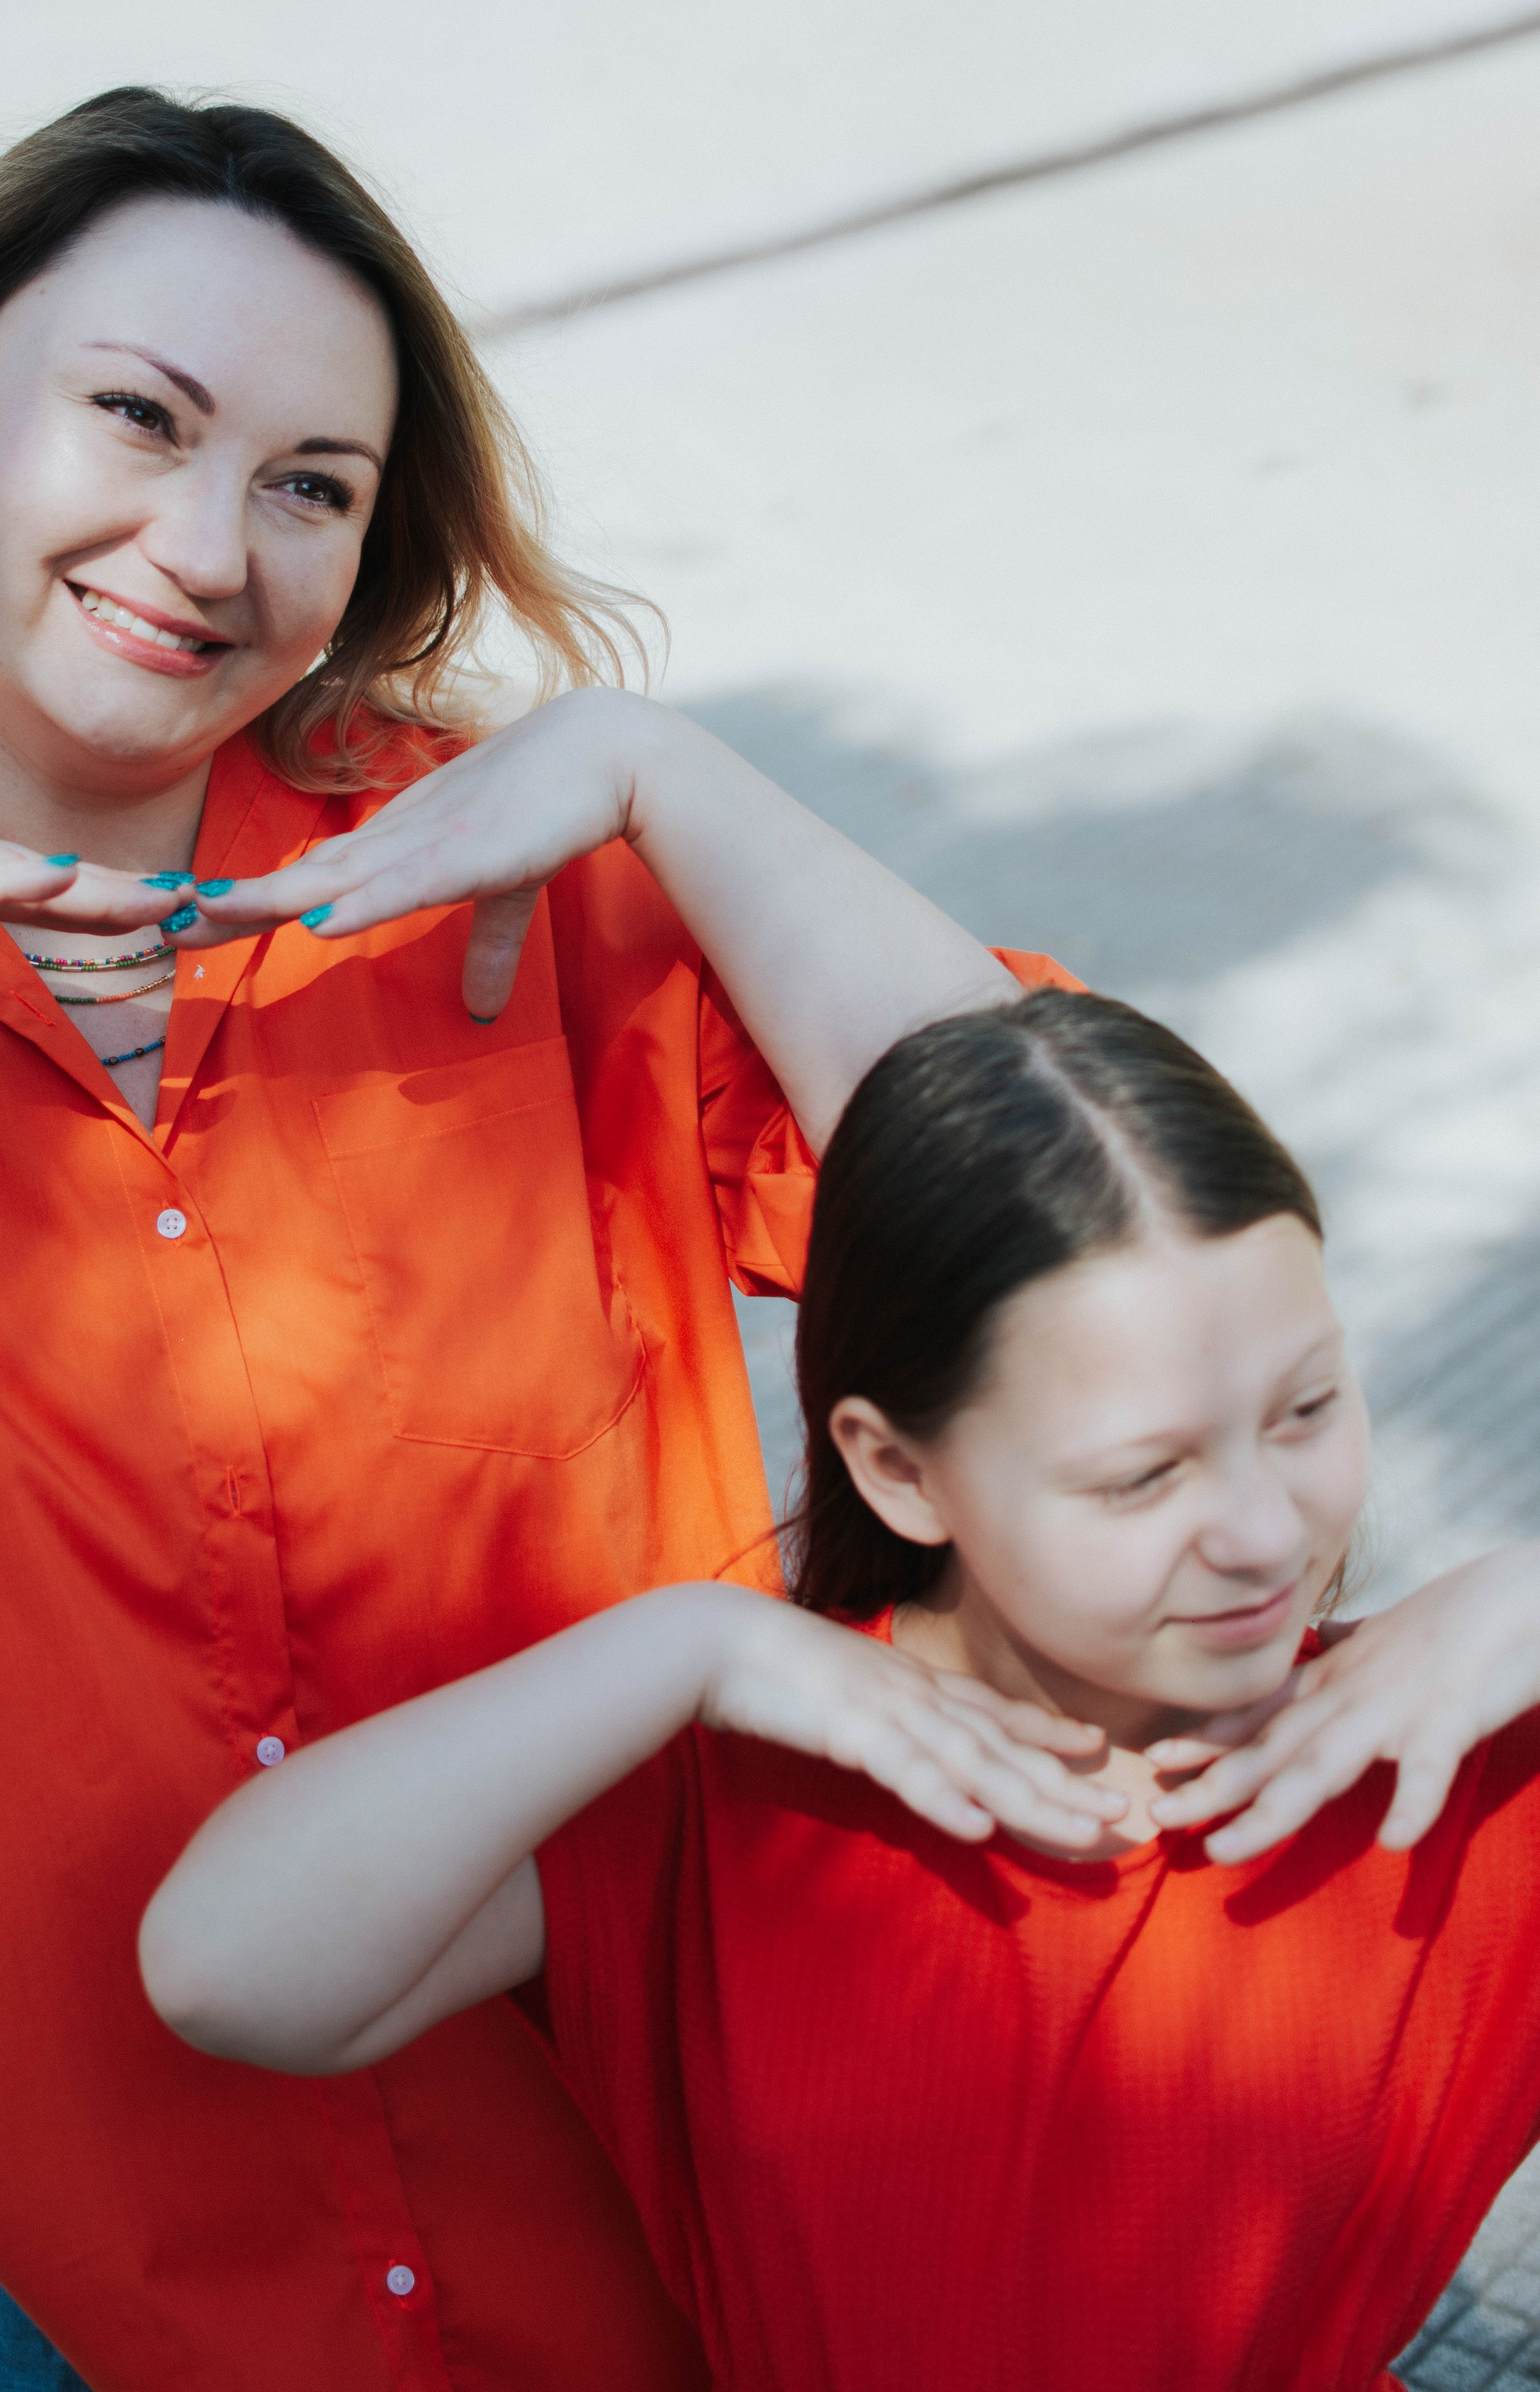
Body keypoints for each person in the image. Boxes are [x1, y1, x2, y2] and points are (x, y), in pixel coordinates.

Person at [0, 84, 1084, 2392]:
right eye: (136, 417)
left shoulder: (507, 890)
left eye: (310, 487)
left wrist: (676, 778)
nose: (207, 543)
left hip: (594, 2160)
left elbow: (1081, 1224)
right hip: (2, 2232)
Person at [141, 990, 1540, 2392]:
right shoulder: (731, 1800)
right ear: (897, 1470)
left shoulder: (1437, 1763)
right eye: (1141, 1475)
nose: (1257, 1531)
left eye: (1304, 1411)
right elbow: (228, 1971)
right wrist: (685, 1645)